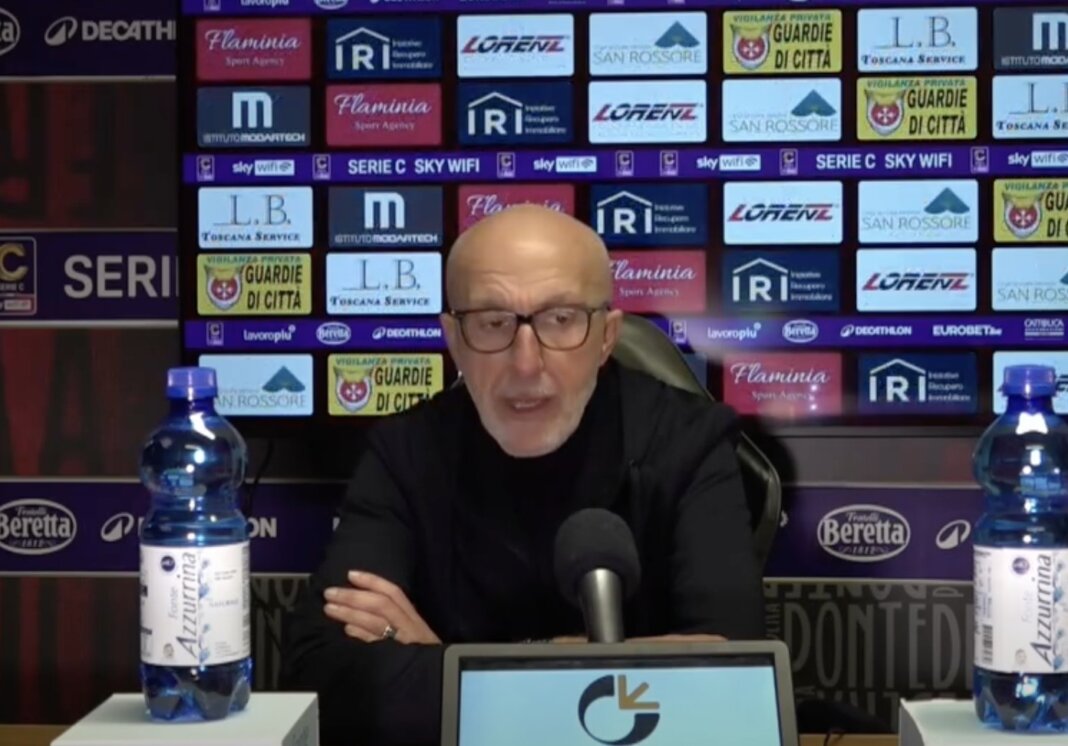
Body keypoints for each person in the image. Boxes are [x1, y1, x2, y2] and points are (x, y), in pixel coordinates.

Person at [281, 205, 766, 746]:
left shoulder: (688, 442)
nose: (527, 364)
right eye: (493, 323)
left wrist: (449, 665)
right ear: (454, 339)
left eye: (561, 320)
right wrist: (589, 668)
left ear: (606, 337)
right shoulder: (405, 451)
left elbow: (735, 681)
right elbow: (320, 679)